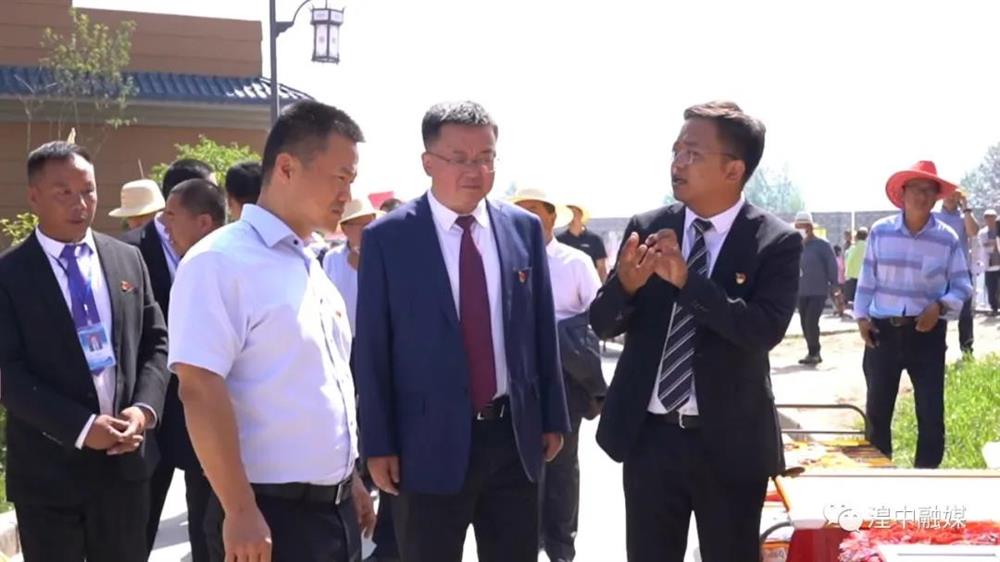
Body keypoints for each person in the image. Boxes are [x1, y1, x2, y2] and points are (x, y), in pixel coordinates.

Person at [354, 101, 570, 562]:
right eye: (460, 158)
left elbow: (540, 330)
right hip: (424, 444)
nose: (476, 170)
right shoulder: (389, 238)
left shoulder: (523, 229)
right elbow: (372, 349)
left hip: (512, 438)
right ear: (428, 162)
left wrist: (553, 416)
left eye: (486, 157)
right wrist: (378, 443)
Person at [591, 101, 801, 562]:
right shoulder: (649, 227)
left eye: (693, 154)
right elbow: (602, 322)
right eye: (676, 151)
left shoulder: (775, 241)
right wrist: (626, 286)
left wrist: (689, 282)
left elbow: (760, 331)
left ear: (733, 169)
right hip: (650, 438)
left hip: (729, 444)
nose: (678, 163)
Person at [169, 100, 375, 562]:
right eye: (340, 177)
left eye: (352, 180)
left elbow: (316, 388)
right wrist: (240, 509)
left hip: (333, 512)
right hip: (268, 516)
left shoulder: (310, 264)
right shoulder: (220, 261)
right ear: (286, 167)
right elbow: (199, 388)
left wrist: (349, 479)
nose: (347, 194)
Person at [0, 141, 169, 562]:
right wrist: (81, 427)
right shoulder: (10, 274)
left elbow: (156, 342)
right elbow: (8, 374)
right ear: (34, 197)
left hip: (125, 468)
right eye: (64, 193)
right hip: (48, 474)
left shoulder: (128, 260)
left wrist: (143, 410)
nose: (80, 204)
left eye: (88, 190)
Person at [120, 158, 215, 556]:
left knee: (208, 526)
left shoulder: (219, 250)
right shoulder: (127, 252)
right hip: (149, 409)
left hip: (205, 406)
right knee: (136, 526)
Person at [854, 161, 972, 469]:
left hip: (927, 335)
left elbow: (962, 285)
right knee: (877, 413)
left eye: (929, 191)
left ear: (936, 198)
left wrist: (940, 306)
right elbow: (866, 281)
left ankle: (925, 480)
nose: (922, 196)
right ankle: (878, 478)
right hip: (882, 333)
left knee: (931, 414)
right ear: (903, 194)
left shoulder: (947, 238)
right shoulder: (881, 232)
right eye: (916, 189)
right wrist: (861, 318)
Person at [511, 187, 604, 562]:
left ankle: (561, 545)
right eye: (521, 211)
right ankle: (528, 541)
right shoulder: (505, 260)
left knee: (562, 463)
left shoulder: (575, 262)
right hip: (520, 376)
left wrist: (558, 333)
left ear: (551, 215)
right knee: (522, 462)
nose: (528, 217)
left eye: (534, 209)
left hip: (565, 375)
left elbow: (598, 316)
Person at [322, 197, 383, 333]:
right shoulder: (332, 258)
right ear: (345, 229)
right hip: (345, 336)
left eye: (370, 223)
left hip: (378, 335)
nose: (367, 230)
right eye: (361, 226)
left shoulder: (384, 254)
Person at [933, 189, 978, 354]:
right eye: (948, 194)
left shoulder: (964, 217)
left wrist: (966, 208)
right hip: (939, 272)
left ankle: (967, 349)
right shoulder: (934, 216)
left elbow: (973, 232)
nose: (951, 198)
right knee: (939, 312)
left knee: (965, 313)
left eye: (955, 195)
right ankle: (938, 349)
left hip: (962, 271)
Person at [793, 211, 839, 365]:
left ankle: (815, 352)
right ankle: (811, 351)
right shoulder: (795, 245)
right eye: (797, 227)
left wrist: (834, 285)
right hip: (801, 290)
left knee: (811, 321)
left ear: (810, 227)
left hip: (818, 290)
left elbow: (832, 265)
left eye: (802, 227)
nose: (799, 230)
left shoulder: (822, 245)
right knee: (804, 322)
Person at [558, 203, 608, 282]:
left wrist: (602, 287)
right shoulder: (559, 241)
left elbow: (601, 268)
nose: (571, 218)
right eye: (568, 215)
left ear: (581, 216)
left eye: (573, 214)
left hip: (589, 284)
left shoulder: (595, 240)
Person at [978, 209, 1000, 315]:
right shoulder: (982, 232)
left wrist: (993, 243)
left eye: (992, 217)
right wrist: (995, 242)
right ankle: (994, 308)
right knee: (991, 287)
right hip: (989, 264)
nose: (990, 220)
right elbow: (984, 244)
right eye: (988, 218)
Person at [844, 227, 868, 304]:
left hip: (852, 277)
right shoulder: (868, 247)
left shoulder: (852, 248)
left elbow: (847, 261)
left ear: (857, 236)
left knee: (853, 300)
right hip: (865, 277)